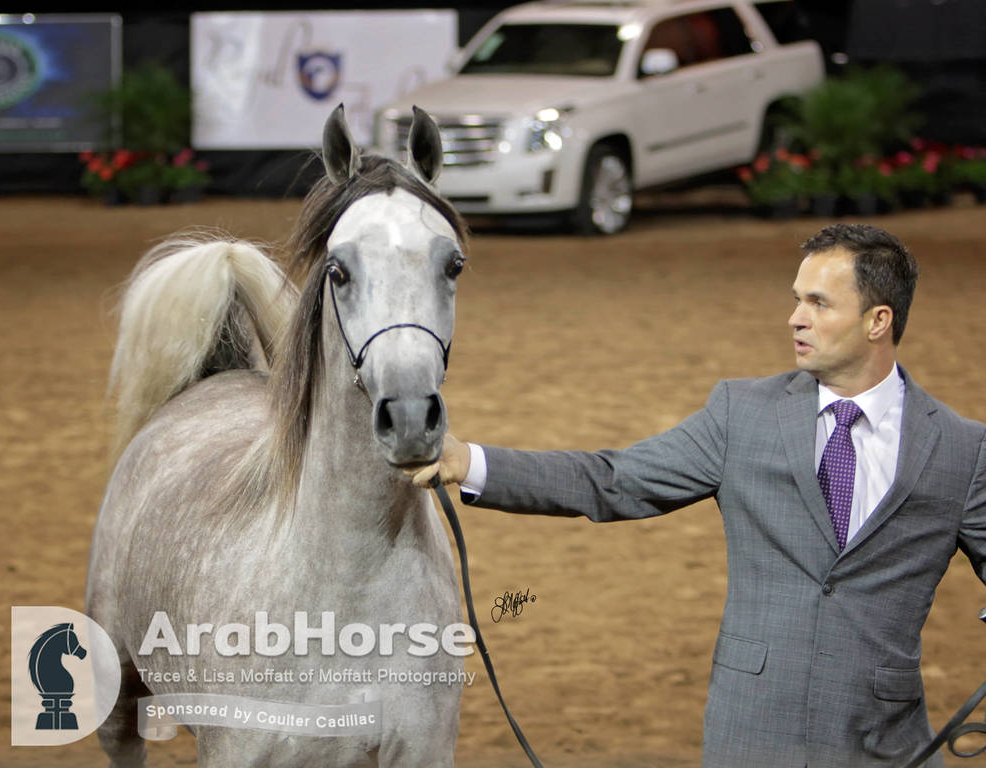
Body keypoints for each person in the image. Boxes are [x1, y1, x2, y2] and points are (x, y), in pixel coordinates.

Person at [407, 223, 986, 768]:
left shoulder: (963, 450)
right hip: (752, 735)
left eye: (818, 303)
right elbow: (612, 480)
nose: (795, 319)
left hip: (889, 747)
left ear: (878, 320)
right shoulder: (741, 414)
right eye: (796, 299)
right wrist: (470, 462)